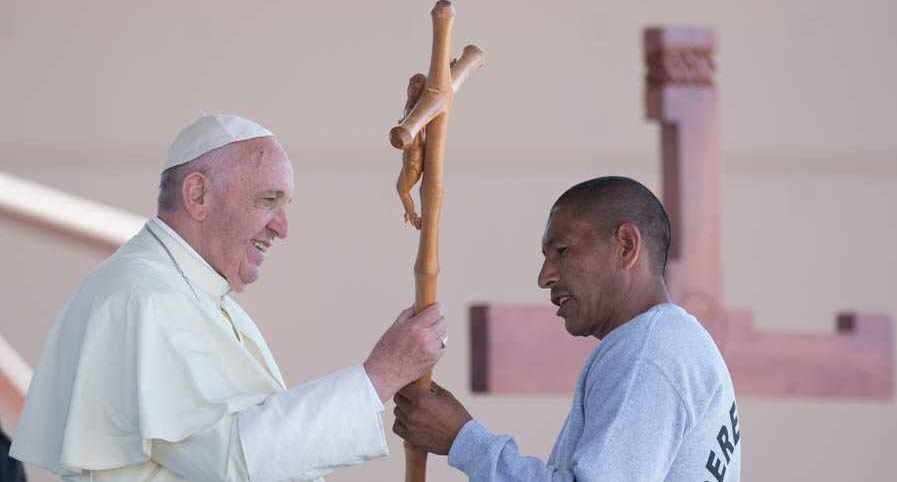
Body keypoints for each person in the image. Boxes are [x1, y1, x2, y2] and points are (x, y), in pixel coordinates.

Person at [11, 114, 448, 482]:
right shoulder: (145, 296)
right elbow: (233, 460)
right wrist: (380, 377)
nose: (282, 227)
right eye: (268, 200)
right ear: (198, 194)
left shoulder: (188, 289)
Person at [393, 176, 741, 482]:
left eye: (562, 251)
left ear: (626, 246)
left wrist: (462, 440)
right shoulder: (673, 345)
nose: (545, 277)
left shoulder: (648, 352)